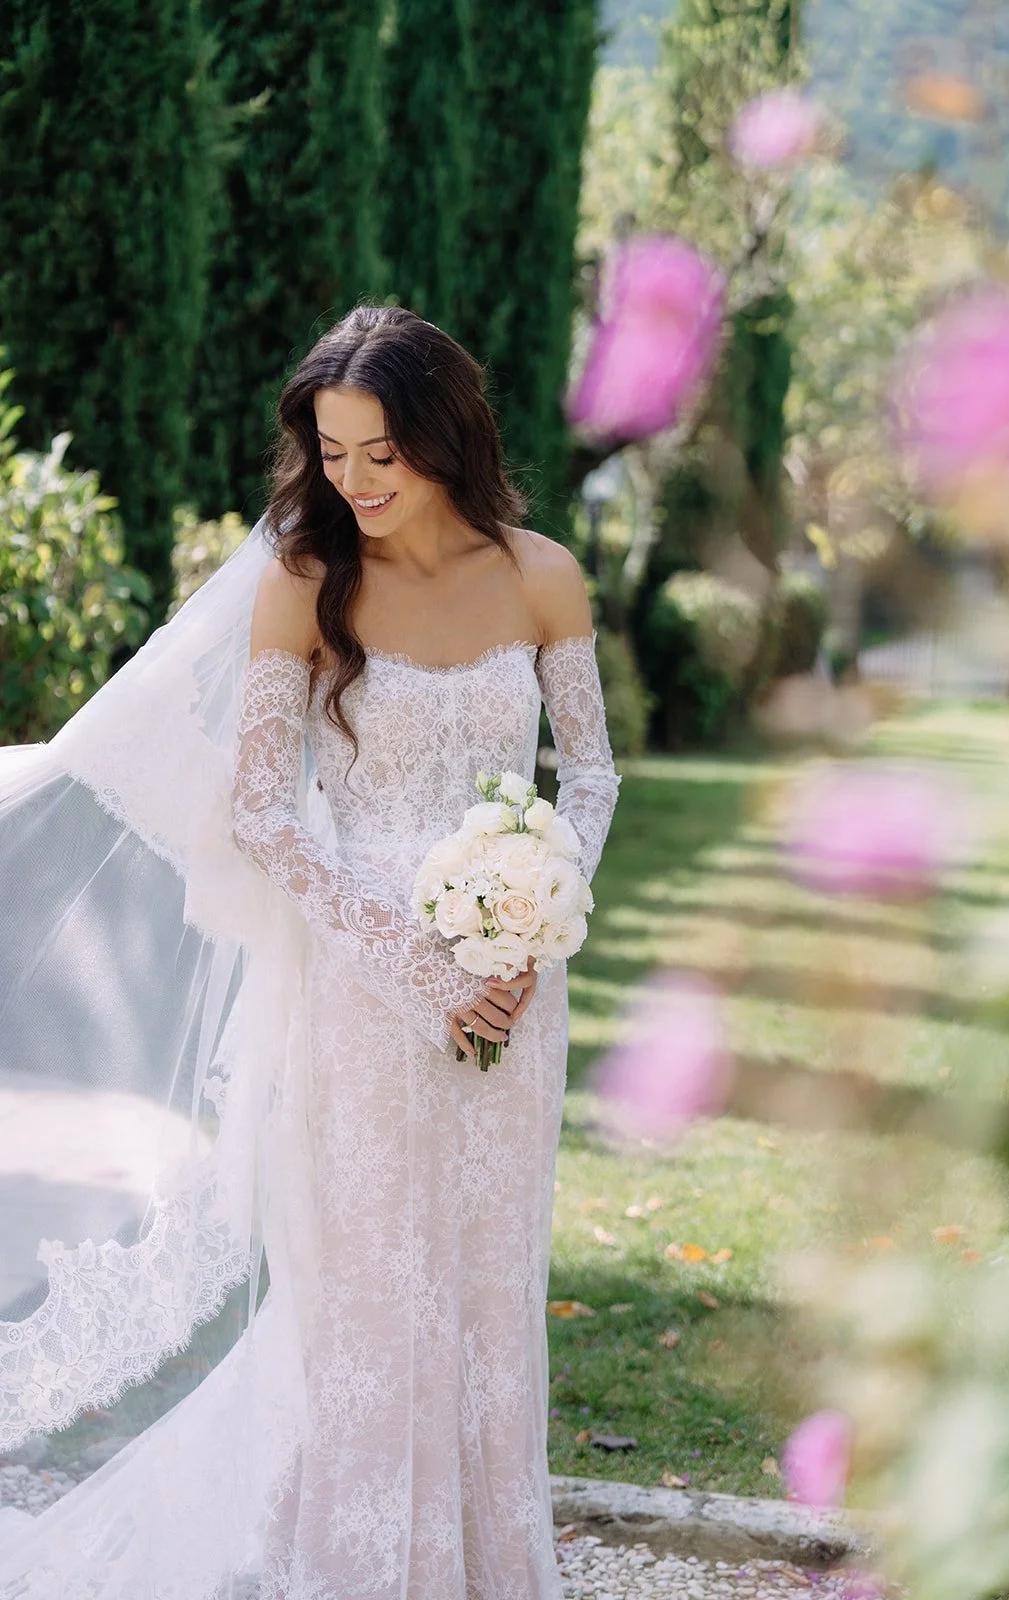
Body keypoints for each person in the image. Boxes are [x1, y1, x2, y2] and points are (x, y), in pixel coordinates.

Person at [0, 304, 620, 1599]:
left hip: (518, 984)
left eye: (379, 453)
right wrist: (416, 960)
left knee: (490, 1280)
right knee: (373, 1284)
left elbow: (593, 779)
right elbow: (265, 814)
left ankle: (483, 1565)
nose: (355, 482)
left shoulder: (542, 574)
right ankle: (351, 1565)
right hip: (365, 971)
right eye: (333, 454)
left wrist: (540, 915)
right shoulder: (303, 577)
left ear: (445, 433)